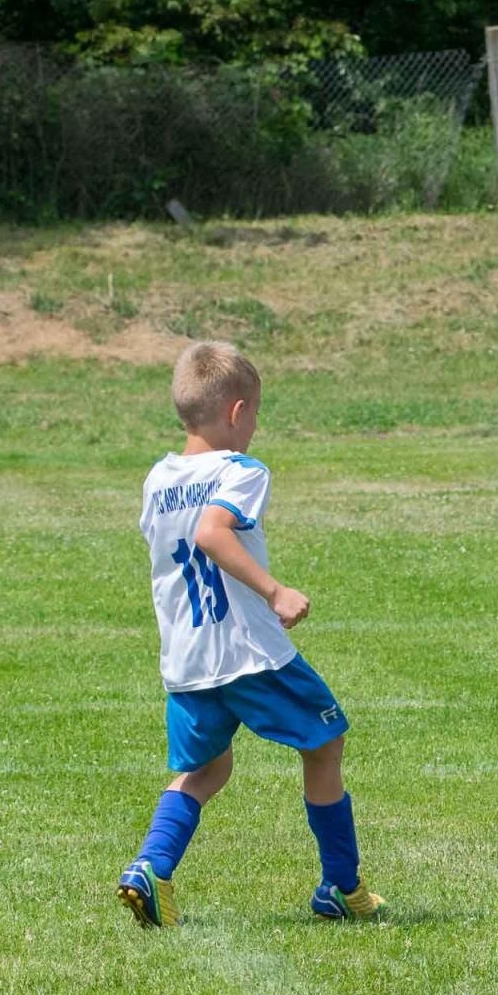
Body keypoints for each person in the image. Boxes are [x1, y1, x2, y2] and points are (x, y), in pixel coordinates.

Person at [117, 341, 384, 927]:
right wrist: (274, 590)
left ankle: (150, 867)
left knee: (209, 769)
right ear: (237, 412)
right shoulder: (240, 471)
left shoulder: (158, 479)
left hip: (186, 656)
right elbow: (213, 533)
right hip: (248, 652)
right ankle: (341, 885)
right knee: (325, 742)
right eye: (256, 414)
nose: (256, 426)